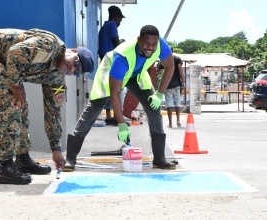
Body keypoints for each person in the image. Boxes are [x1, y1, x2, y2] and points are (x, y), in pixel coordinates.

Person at [0, 28, 94, 184]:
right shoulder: (49, 45)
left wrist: (56, 149)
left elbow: (53, 112)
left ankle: (22, 159)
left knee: (21, 105)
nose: (72, 69)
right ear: (72, 51)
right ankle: (4, 168)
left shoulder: (57, 78)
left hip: (3, 63)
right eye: (76, 63)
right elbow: (14, 52)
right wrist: (16, 84)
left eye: (77, 72)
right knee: (10, 103)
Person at [65, 25, 176, 171]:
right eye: (146, 44)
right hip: (112, 73)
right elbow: (115, 93)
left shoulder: (161, 46)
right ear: (138, 40)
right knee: (95, 108)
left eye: (154, 44)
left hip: (136, 74)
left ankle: (159, 159)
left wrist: (159, 94)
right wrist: (122, 124)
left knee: (153, 107)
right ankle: (70, 158)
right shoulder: (122, 56)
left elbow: (170, 67)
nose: (150, 48)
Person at [98, 5, 126, 126]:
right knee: (116, 89)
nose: (120, 22)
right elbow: (117, 43)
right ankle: (116, 117)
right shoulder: (112, 25)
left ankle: (109, 116)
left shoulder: (103, 27)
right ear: (115, 17)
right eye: (120, 19)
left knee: (107, 89)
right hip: (111, 61)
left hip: (103, 61)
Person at [157, 47, 185, 128]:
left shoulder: (163, 60)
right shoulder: (177, 58)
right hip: (177, 84)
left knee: (169, 104)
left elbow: (157, 70)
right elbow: (180, 70)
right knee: (177, 103)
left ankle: (170, 123)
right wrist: (183, 80)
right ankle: (178, 121)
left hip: (167, 85)